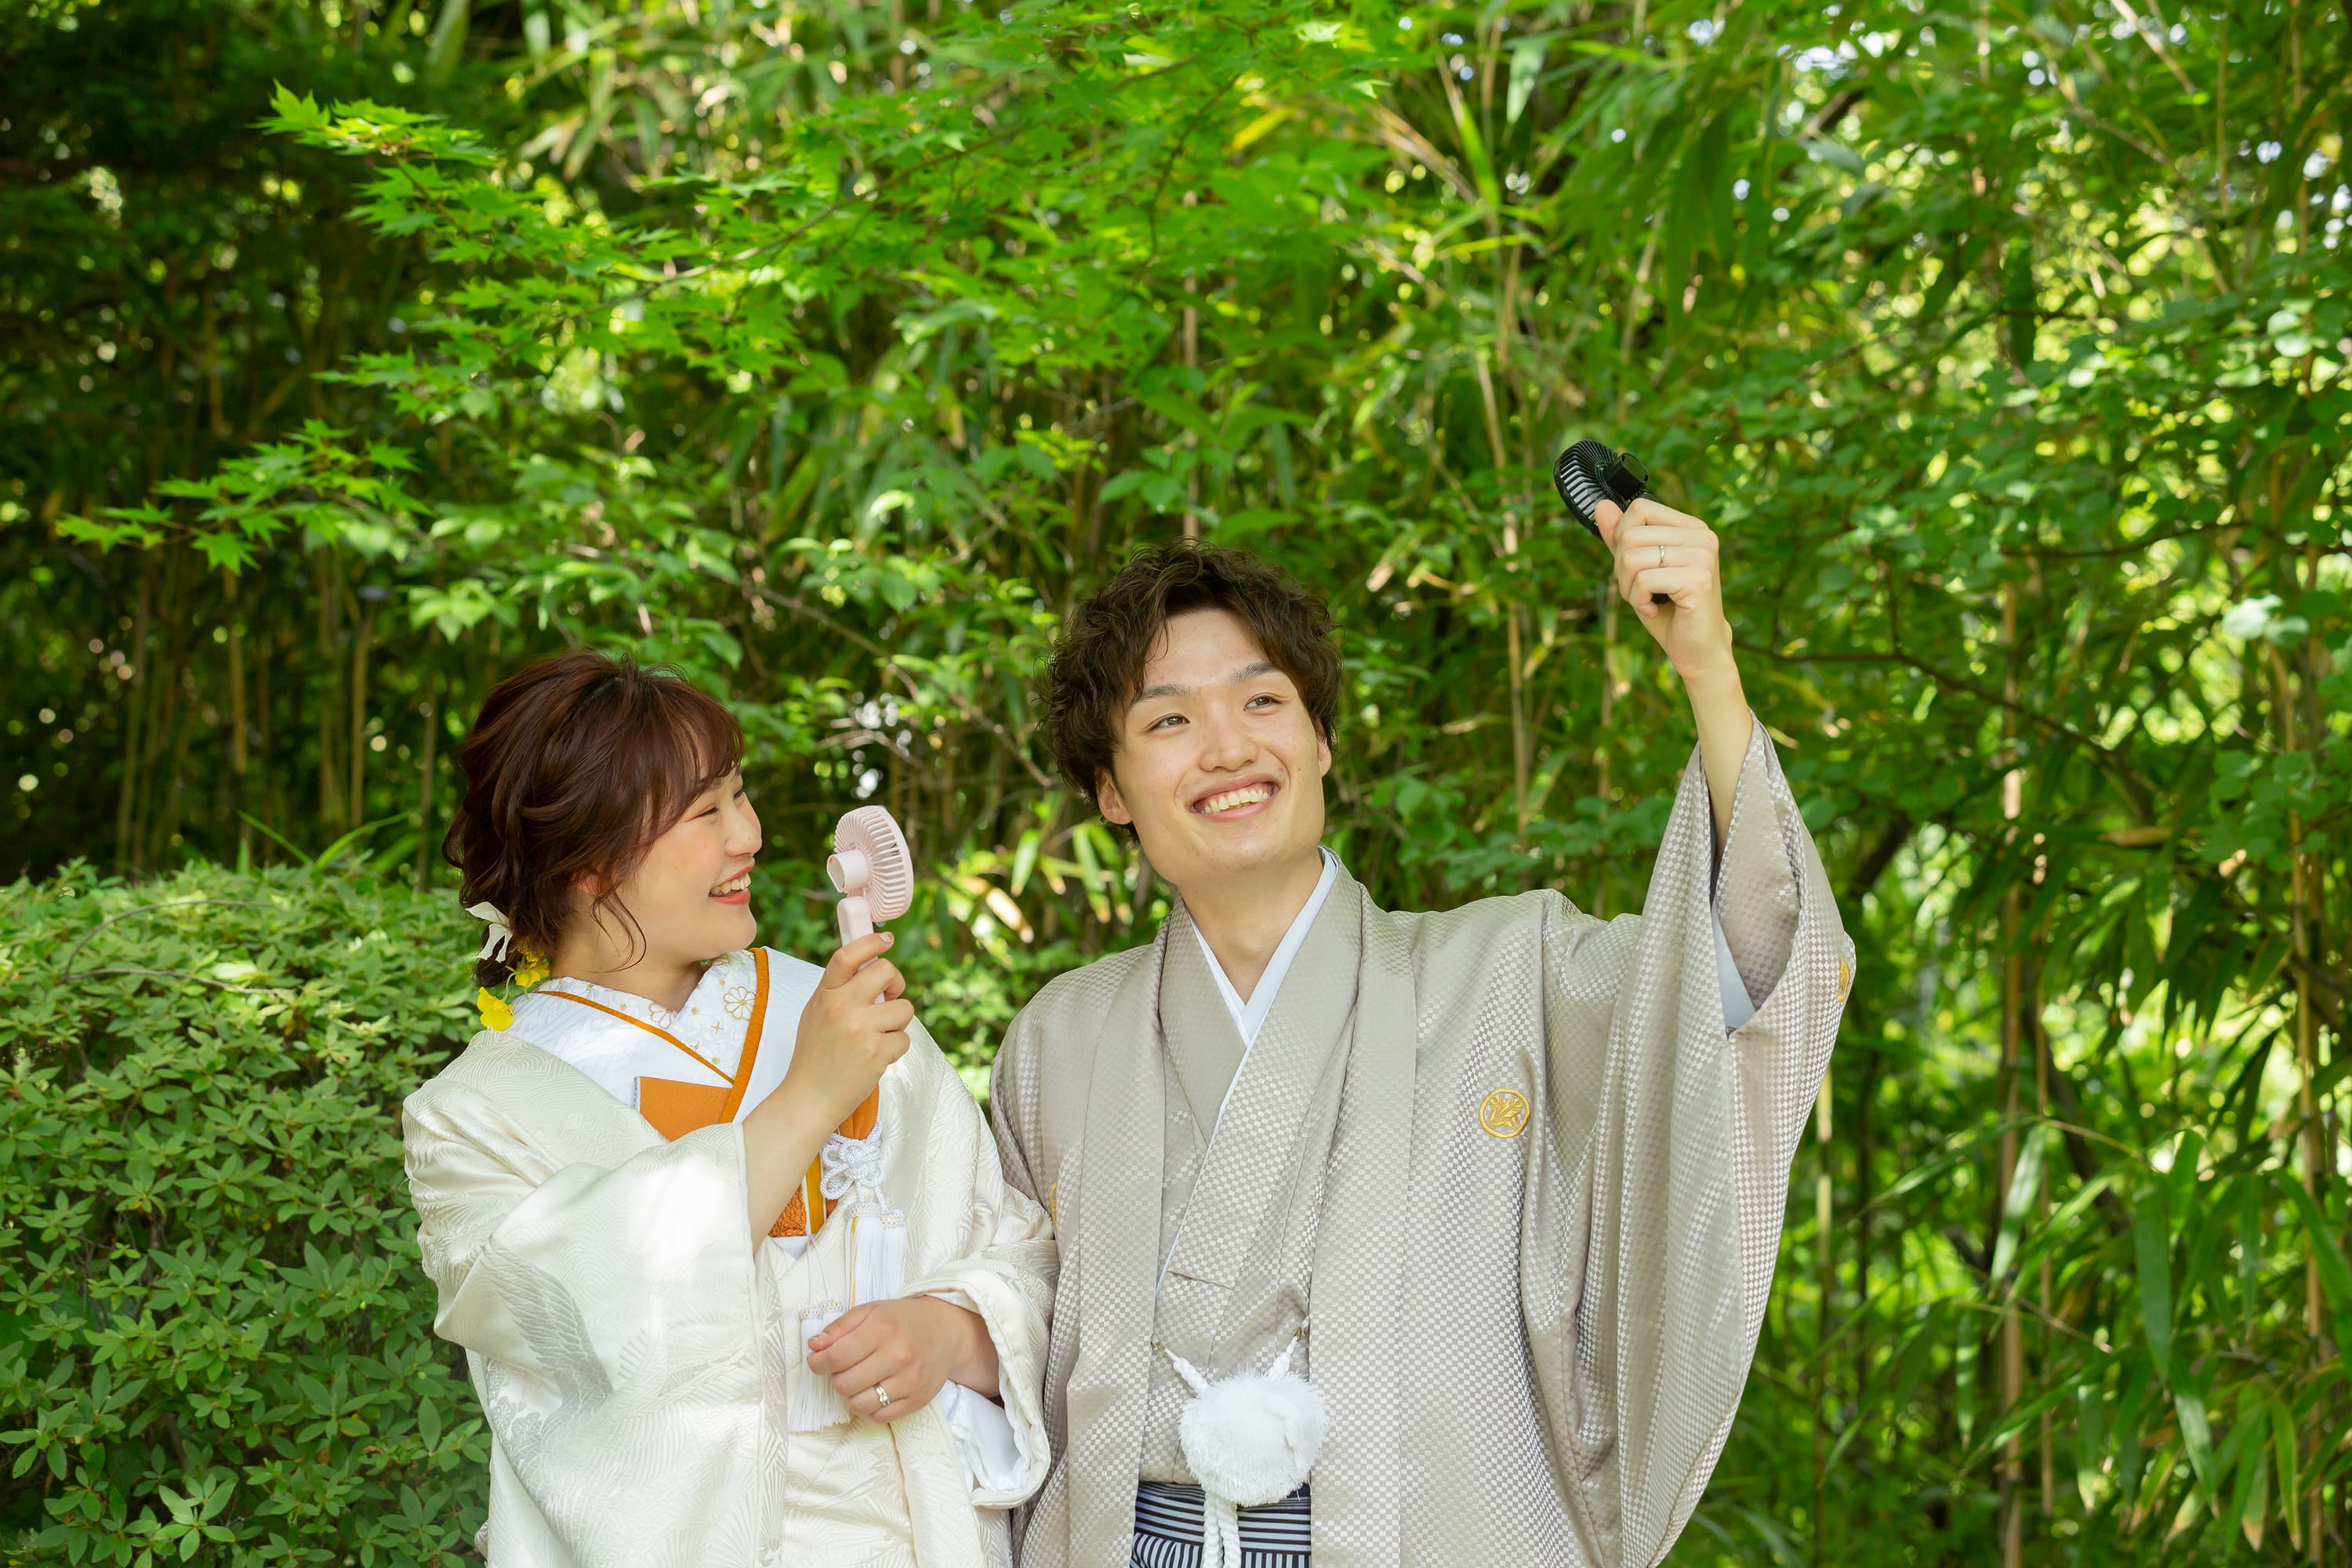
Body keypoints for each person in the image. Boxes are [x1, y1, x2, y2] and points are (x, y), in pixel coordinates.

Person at [989, 503, 1855, 1567]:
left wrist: (1708, 670)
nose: (1227, 746)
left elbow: (1738, 982)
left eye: (1262, 700)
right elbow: (1001, 1326)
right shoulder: (1059, 1039)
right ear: (1110, 790)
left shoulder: (1515, 973)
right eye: (1168, 721)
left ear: (1320, 741)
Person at [402, 649, 1055, 1566]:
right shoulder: (473, 1116)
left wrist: (950, 1333)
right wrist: (811, 1095)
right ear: (587, 859)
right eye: (705, 811)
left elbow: (1016, 1247)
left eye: (738, 795)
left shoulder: (838, 1010)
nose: (748, 833)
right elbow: (576, 1320)